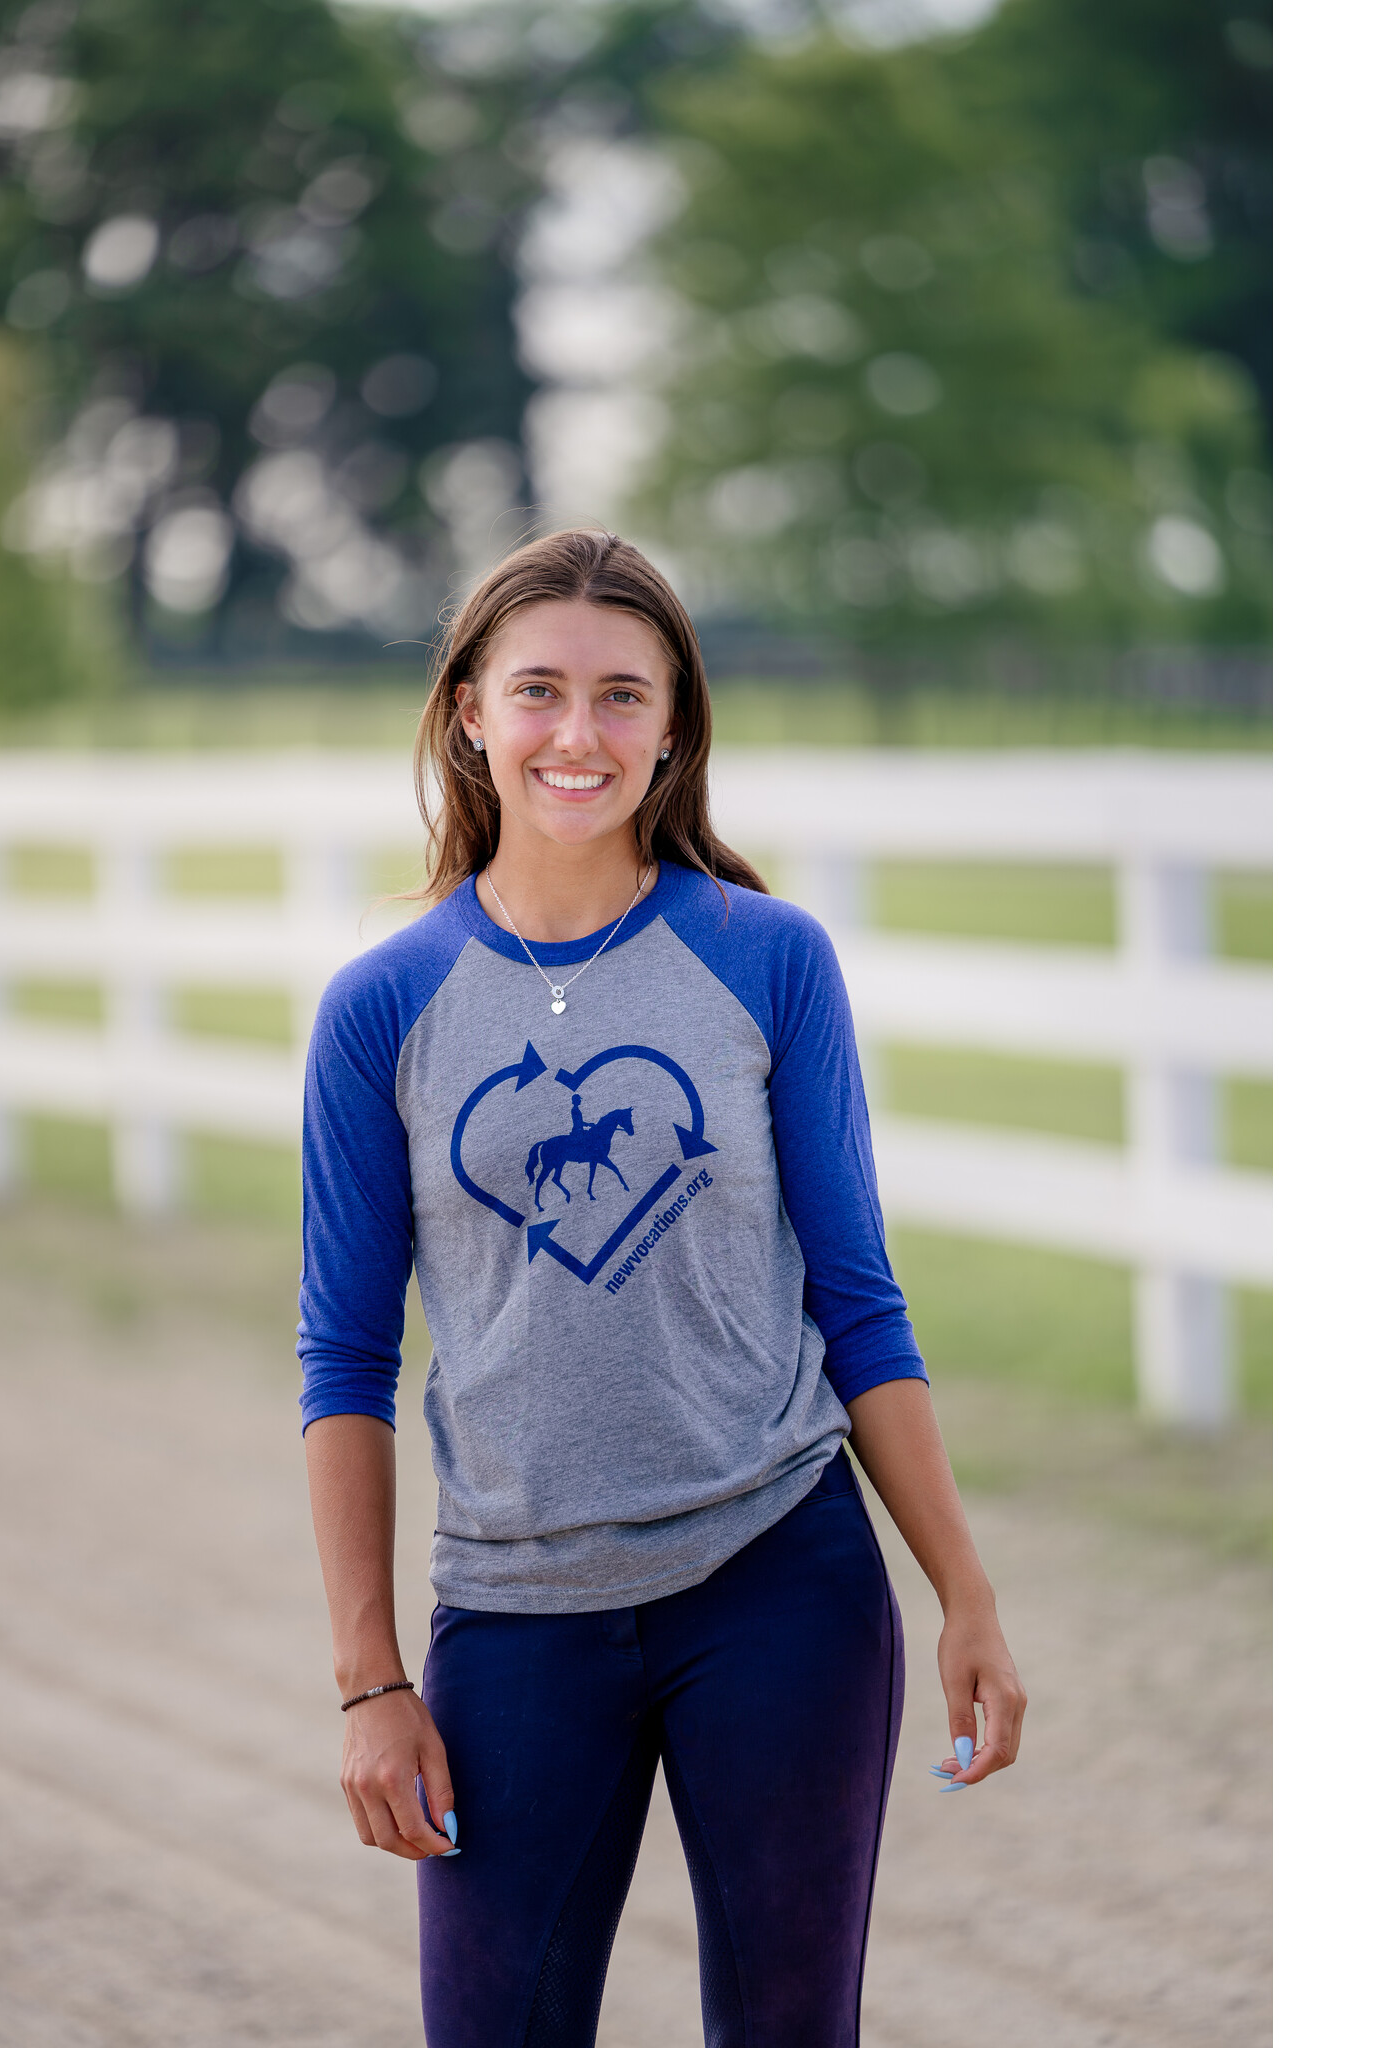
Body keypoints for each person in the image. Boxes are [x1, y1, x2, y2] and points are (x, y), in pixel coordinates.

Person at [298, 529, 1026, 2048]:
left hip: (780, 1584)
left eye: (623, 694)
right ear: (470, 714)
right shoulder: (382, 1010)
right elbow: (344, 1360)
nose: (580, 732)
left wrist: (964, 1591)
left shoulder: (768, 961)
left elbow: (859, 1300)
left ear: (676, 722)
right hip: (515, 1613)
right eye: (540, 690)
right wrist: (370, 1682)